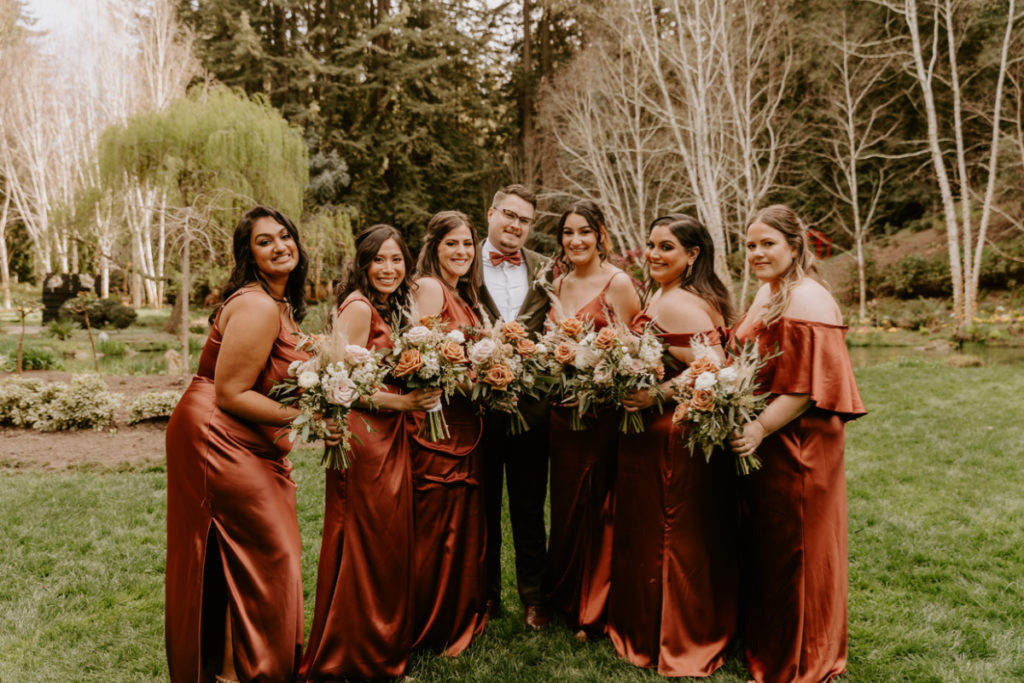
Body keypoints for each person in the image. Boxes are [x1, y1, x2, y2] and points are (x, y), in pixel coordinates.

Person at [166, 206, 342, 683]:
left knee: (234, 561)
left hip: (244, 433)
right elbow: (231, 392)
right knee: (273, 551)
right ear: (249, 253)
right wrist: (307, 416)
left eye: (285, 236)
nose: (280, 246)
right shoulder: (258, 304)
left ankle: (229, 673)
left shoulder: (279, 304)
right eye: (265, 241)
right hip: (214, 432)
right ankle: (257, 671)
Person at [729, 205, 866, 683]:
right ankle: (772, 641)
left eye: (768, 243)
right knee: (772, 544)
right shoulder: (768, 292)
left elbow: (808, 388)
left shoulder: (808, 299)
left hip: (801, 441)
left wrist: (759, 428)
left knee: (800, 545)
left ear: (794, 244)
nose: (757, 253)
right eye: (750, 245)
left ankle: (805, 656)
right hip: (769, 437)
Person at [300, 225, 442, 681]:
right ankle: (355, 654)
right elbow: (338, 386)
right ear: (363, 264)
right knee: (366, 544)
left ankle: (378, 648)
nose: (388, 268)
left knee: (383, 544)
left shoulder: (391, 306)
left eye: (397, 260)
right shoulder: (359, 308)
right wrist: (403, 401)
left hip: (388, 435)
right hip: (364, 439)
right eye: (379, 260)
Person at [608, 214, 738, 677]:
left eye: (666, 247)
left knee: (669, 534)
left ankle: (675, 637)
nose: (655, 254)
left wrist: (654, 394)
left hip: (671, 435)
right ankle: (653, 625)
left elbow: (713, 365)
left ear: (692, 254)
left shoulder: (682, 301)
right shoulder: (667, 293)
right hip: (656, 433)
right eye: (651, 245)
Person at [543, 199, 640, 640]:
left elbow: (635, 353)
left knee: (597, 503)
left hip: (601, 414)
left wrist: (595, 363)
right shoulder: (558, 283)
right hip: (561, 414)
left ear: (601, 234)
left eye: (584, 231)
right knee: (565, 506)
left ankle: (594, 608)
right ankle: (565, 597)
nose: (575, 240)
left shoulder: (618, 283)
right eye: (568, 233)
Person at [407, 210, 487, 655]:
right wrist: (471, 377)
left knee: (458, 523)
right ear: (434, 246)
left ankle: (456, 616)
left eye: (467, 244)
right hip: (438, 426)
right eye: (452, 244)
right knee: (437, 525)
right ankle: (431, 624)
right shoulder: (431, 287)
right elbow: (422, 356)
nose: (461, 252)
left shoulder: (463, 293)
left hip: (463, 423)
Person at [477, 184, 553, 629]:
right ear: (491, 213)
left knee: (529, 505)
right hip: (480, 409)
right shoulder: (463, 261)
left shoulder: (545, 269)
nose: (516, 225)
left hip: (532, 411)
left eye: (524, 220)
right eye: (509, 214)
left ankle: (534, 597)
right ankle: (486, 596)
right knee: (482, 507)